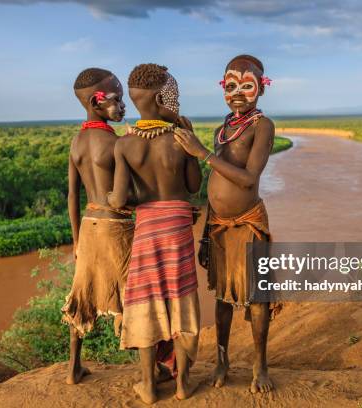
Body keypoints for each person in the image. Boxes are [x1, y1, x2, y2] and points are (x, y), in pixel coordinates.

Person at [173, 54, 281, 394]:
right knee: (222, 296)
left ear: (261, 89)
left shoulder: (263, 126)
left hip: (248, 222)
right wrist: (205, 232)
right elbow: (214, 185)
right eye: (230, 85)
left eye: (247, 86)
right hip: (218, 224)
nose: (237, 92)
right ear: (223, 87)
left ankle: (260, 366)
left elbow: (248, 180)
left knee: (257, 296)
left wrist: (201, 152)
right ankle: (222, 361)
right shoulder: (223, 128)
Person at [108, 63, 202, 404]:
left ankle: (148, 385)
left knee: (145, 300)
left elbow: (119, 199)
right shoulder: (180, 137)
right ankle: (181, 385)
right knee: (180, 298)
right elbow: (193, 186)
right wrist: (189, 136)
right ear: (163, 98)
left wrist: (111, 199)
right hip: (178, 224)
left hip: (147, 226)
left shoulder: (125, 145)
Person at [60, 67, 134, 385]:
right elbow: (125, 195)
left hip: (88, 228)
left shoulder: (76, 143)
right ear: (96, 101)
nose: (123, 107)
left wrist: (76, 241)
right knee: (135, 293)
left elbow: (72, 196)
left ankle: (74, 367)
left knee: (83, 295)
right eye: (117, 100)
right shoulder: (116, 143)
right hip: (115, 227)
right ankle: (154, 366)